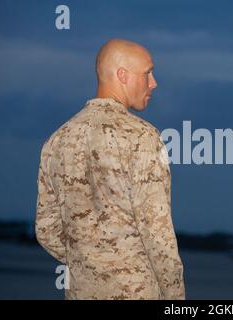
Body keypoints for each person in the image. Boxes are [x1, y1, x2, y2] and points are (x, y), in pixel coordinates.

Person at [35, 39, 185, 300]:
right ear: (122, 75)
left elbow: (46, 229)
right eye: (147, 73)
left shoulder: (57, 140)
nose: (154, 83)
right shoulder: (143, 137)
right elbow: (157, 234)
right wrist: (176, 298)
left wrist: (92, 260)